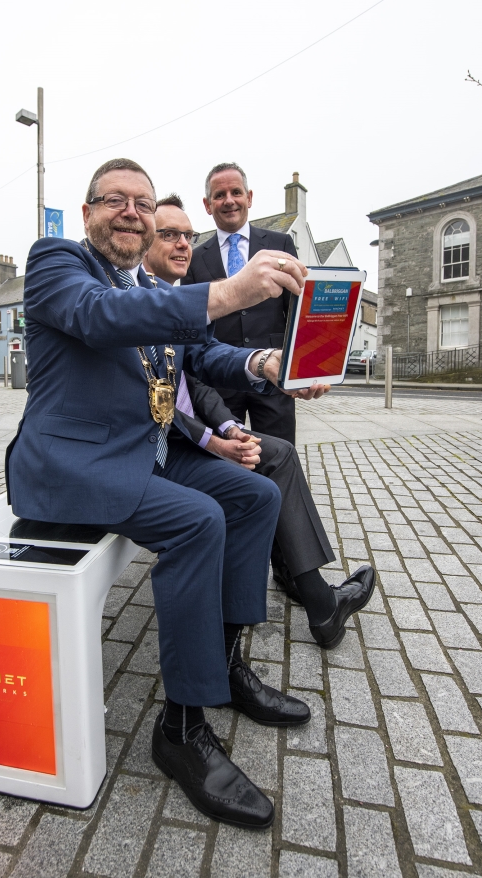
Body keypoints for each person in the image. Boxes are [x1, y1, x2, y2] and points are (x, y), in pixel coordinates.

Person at [7, 158, 328, 831]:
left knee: (253, 495)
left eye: (142, 203)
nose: (130, 211)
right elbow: (100, 318)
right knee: (197, 521)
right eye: (113, 200)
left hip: (139, 459)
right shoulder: (58, 264)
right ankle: (180, 729)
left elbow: (202, 356)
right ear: (88, 210)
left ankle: (227, 664)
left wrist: (267, 364)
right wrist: (229, 292)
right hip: (73, 467)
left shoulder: (143, 282)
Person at [143, 194, 375, 645]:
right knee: (264, 473)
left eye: (187, 235)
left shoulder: (171, 299)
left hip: (214, 415)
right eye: (168, 234)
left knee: (278, 454)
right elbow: (156, 402)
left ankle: (312, 596)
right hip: (164, 451)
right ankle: (314, 605)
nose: (182, 244)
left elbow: (198, 380)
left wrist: (238, 411)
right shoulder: (136, 301)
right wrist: (213, 442)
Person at [182, 163, 307, 597]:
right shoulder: (195, 257)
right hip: (220, 383)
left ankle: (287, 569)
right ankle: (230, 564)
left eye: (236, 192)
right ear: (207, 205)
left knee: (278, 466)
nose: (229, 201)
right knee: (232, 469)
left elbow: (296, 309)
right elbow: (194, 323)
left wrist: (297, 365)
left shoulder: (279, 244)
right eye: (220, 195)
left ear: (250, 198)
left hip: (271, 377)